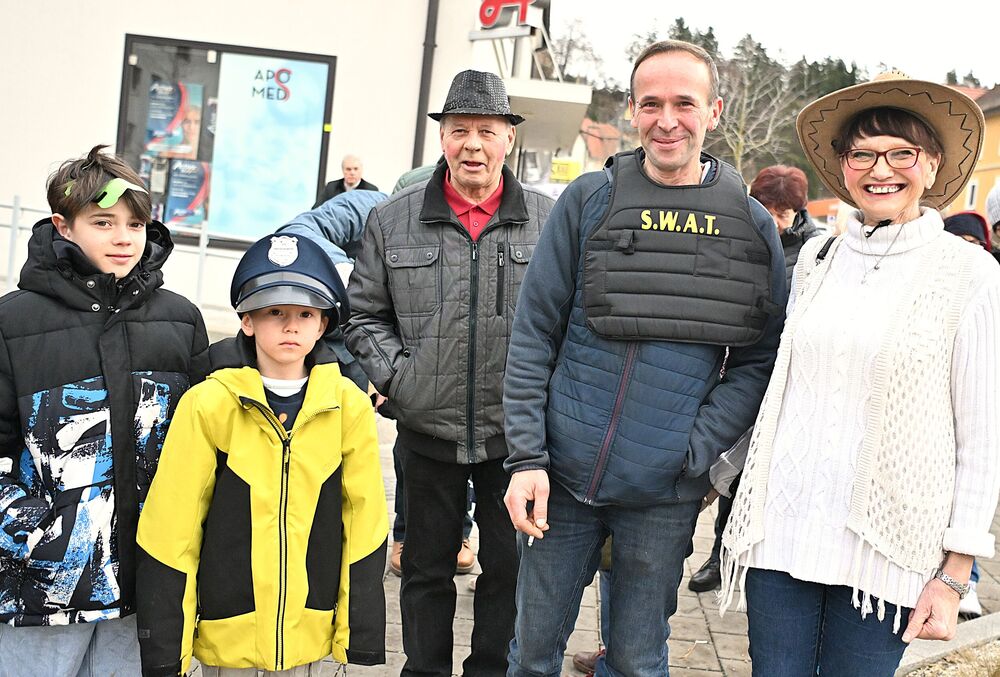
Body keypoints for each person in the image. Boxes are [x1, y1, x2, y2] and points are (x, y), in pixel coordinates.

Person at [503, 40, 785, 677]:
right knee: (532, 656)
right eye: (651, 103)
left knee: (636, 660)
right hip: (560, 480)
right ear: (631, 110)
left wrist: (694, 451)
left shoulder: (749, 225)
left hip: (663, 493)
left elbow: (760, 357)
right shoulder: (588, 201)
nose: (667, 120)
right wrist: (526, 457)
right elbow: (534, 334)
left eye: (684, 103)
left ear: (713, 111)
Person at [721, 71, 1000, 677]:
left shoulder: (970, 274)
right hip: (783, 532)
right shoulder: (817, 259)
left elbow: (981, 440)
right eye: (863, 154)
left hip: (888, 548)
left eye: (902, 153)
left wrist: (956, 572)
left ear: (932, 165)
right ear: (843, 167)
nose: (881, 170)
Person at [345, 69, 554, 677]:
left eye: (487, 131)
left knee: (510, 570)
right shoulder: (392, 219)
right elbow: (363, 314)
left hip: (514, 436)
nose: (473, 145)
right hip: (426, 430)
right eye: (459, 130)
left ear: (508, 137)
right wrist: (401, 380)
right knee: (424, 569)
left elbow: (568, 320)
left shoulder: (549, 220)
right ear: (442, 137)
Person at [135, 233, 388, 676]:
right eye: (274, 312)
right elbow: (172, 526)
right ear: (247, 321)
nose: (291, 326)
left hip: (308, 634)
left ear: (323, 325)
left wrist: (360, 631)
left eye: (306, 314)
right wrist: (166, 647)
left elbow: (365, 520)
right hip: (227, 635)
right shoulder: (209, 403)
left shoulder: (347, 406)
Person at [0, 145, 209, 676]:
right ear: (63, 226)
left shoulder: (180, 321)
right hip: (41, 593)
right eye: (103, 222)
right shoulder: (13, 323)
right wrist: (36, 534)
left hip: (149, 587)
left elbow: (204, 445)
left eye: (135, 224)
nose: (123, 238)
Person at [686, 164, 820, 596]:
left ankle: (764, 561)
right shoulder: (734, 232)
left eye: (783, 212)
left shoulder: (816, 251)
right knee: (731, 469)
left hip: (789, 376)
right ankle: (721, 554)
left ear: (799, 212)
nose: (773, 219)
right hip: (740, 366)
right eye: (765, 207)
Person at [279, 189, 390, 391]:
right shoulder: (375, 206)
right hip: (325, 338)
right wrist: (346, 275)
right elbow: (294, 233)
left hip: (364, 350)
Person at [313, 155, 379, 208]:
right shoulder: (331, 187)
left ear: (361, 170)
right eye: (348, 169)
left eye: (356, 169)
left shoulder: (371, 191)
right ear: (343, 170)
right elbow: (316, 209)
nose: (352, 173)